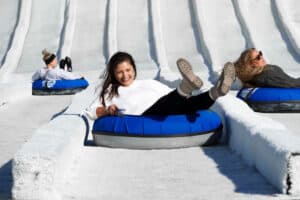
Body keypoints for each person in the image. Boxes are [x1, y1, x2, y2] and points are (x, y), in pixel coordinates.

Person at [84, 51, 235, 119]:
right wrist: (106, 110)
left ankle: (218, 90)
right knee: (164, 104)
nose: (125, 75)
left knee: (187, 103)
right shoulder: (111, 91)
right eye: (120, 72)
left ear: (134, 69)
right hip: (144, 118)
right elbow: (90, 111)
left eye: (128, 70)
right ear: (113, 74)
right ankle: (186, 86)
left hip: (167, 109)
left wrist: (187, 99)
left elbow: (171, 95)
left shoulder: (149, 83)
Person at [234, 48, 300, 88]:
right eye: (258, 57)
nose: (262, 57)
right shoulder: (266, 76)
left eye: (260, 53)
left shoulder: (261, 72)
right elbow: (291, 84)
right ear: (252, 63)